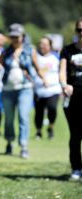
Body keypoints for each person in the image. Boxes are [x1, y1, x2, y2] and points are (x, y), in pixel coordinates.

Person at [0, 23, 45, 158]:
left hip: (25, 88)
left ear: (22, 37)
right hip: (7, 89)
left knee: (23, 116)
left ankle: (24, 146)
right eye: (12, 36)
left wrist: (44, 79)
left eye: (17, 36)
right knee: (8, 118)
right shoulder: (6, 51)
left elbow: (37, 67)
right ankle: (9, 142)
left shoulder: (30, 50)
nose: (14, 39)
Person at [59, 18, 82, 181]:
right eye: (79, 30)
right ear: (76, 31)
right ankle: (76, 169)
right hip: (73, 97)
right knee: (75, 135)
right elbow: (61, 71)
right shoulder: (67, 50)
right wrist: (64, 84)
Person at [33, 36, 61, 139]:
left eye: (44, 44)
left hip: (53, 89)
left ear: (50, 46)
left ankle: (51, 127)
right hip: (39, 89)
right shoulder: (35, 57)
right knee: (39, 112)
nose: (42, 46)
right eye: (40, 43)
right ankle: (39, 131)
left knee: (52, 108)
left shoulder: (56, 57)